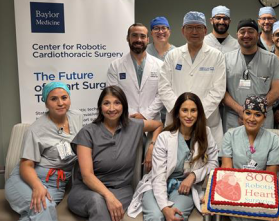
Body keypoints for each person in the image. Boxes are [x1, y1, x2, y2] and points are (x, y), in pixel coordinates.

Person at [68, 86, 163, 221]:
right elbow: (87, 176)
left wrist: (151, 147)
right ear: (100, 107)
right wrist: (109, 196)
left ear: (124, 106)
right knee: (97, 201)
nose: (112, 108)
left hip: (121, 190)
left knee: (102, 206)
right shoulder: (87, 132)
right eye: (106, 103)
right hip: (86, 191)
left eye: (117, 103)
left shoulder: (134, 126)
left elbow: (158, 124)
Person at [127, 92, 219, 221]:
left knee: (176, 217)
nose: (189, 115)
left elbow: (213, 163)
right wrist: (165, 208)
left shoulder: (206, 133)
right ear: (177, 113)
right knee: (155, 216)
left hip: (184, 188)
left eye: (193, 110)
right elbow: (158, 175)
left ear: (199, 113)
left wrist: (194, 175)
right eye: (184, 110)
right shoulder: (165, 137)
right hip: (157, 185)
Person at [5, 82, 83, 221]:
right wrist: (37, 186)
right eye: (53, 99)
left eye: (64, 97)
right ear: (46, 103)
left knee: (42, 211)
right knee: (43, 208)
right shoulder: (35, 130)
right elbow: (26, 165)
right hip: (28, 180)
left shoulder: (77, 117)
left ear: (69, 99)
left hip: (56, 184)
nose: (60, 103)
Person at [158, 11, 226, 149]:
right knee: (175, 164)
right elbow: (164, 87)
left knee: (206, 164)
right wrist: (180, 111)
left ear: (205, 30)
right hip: (176, 120)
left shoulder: (217, 56)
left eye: (198, 27)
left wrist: (198, 113)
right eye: (189, 27)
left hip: (207, 120)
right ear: (183, 30)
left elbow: (218, 90)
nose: (194, 31)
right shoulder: (173, 56)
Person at [107, 22, 164, 172]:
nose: (138, 39)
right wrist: (132, 116)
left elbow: (162, 93)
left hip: (152, 123)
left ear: (147, 40)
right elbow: (113, 95)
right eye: (134, 35)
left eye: (142, 36)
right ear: (128, 38)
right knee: (128, 167)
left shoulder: (159, 65)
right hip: (126, 121)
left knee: (151, 166)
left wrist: (144, 115)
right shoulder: (116, 66)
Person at [220, 95, 279, 221]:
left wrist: (253, 197)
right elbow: (226, 169)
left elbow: (270, 176)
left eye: (257, 114)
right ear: (242, 114)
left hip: (262, 191)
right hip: (235, 188)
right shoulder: (230, 135)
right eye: (248, 113)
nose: (251, 119)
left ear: (264, 118)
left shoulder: (273, 139)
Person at [223, 18, 279, 130]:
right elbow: (221, 90)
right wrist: (240, 111)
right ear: (237, 35)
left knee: (262, 147)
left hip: (262, 118)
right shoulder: (226, 59)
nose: (246, 35)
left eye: (251, 32)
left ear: (258, 35)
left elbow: (276, 91)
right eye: (242, 32)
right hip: (234, 117)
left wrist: (253, 113)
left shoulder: (271, 59)